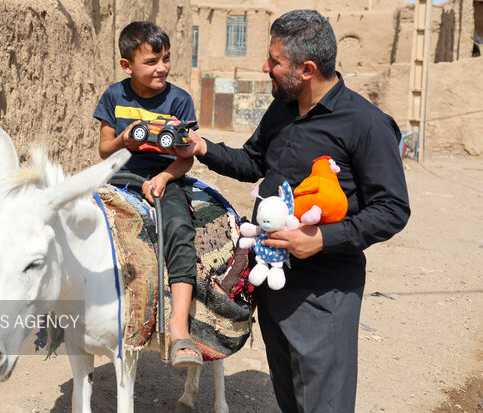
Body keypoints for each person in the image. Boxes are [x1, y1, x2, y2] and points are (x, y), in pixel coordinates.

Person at [173, 9, 410, 412]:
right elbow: (253, 162)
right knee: (291, 401)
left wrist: (319, 239)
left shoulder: (365, 124)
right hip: (274, 287)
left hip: (325, 295)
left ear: (307, 69)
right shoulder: (283, 109)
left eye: (274, 61)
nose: (265, 67)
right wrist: (202, 148)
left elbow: (392, 208)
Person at [93, 21, 203, 367]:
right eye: (152, 61)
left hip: (166, 176)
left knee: (178, 229)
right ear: (127, 65)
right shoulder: (113, 96)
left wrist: (164, 177)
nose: (162, 68)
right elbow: (104, 151)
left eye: (166, 59)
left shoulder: (179, 100)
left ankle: (180, 326)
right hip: (122, 173)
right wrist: (124, 139)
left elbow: (186, 158)